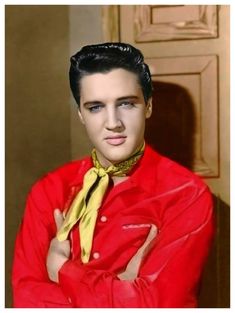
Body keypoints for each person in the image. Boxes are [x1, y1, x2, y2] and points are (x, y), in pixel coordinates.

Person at [12, 42, 214, 308]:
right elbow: (27, 302)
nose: (113, 123)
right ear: (81, 115)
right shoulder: (50, 191)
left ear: (148, 106)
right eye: (95, 107)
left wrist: (63, 268)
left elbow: (157, 304)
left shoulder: (187, 194)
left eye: (127, 104)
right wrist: (123, 290)